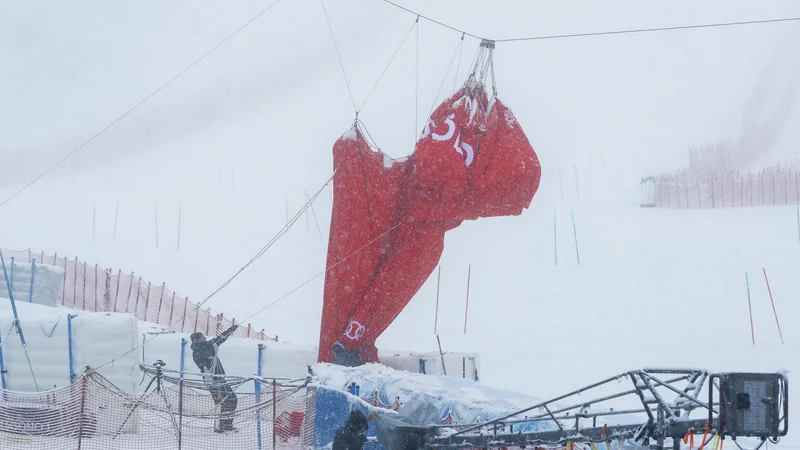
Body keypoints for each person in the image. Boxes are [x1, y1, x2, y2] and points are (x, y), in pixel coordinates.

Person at [190, 324, 239, 433]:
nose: (205, 338)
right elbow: (206, 360)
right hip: (213, 382)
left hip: (221, 380)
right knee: (220, 403)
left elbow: (219, 339)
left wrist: (230, 330)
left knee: (232, 400)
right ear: (197, 340)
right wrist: (212, 344)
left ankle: (226, 425)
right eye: (202, 337)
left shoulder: (208, 345)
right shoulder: (197, 352)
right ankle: (219, 427)